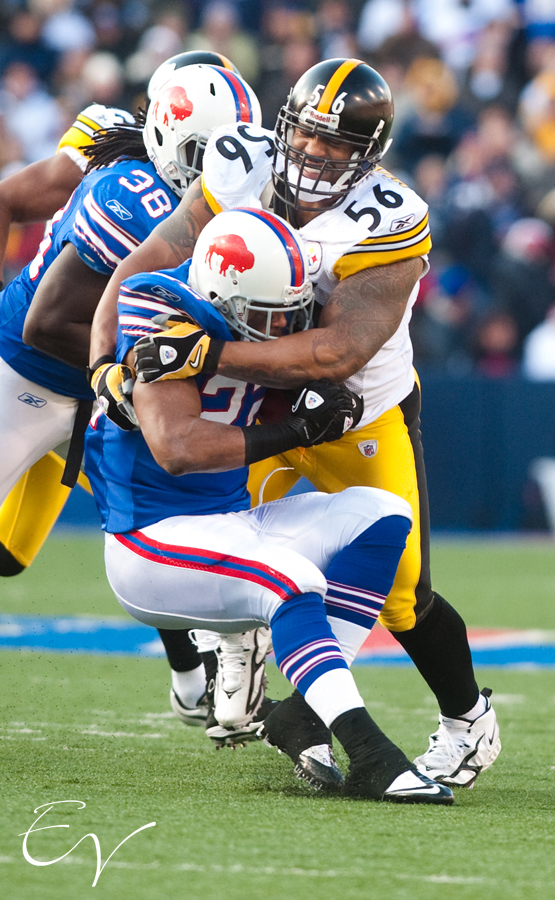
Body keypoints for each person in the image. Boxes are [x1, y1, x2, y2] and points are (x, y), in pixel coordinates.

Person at [90, 57, 501, 792]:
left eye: (338, 145)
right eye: (308, 136)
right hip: (258, 408)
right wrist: (103, 369)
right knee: (234, 550)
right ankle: (272, 682)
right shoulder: (240, 162)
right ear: (284, 127)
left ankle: (467, 719)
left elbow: (336, 352)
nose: (315, 154)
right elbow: (142, 265)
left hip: (354, 411)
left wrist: (210, 348)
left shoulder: (387, 216)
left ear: (367, 156)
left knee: (401, 594)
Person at [85, 205, 453, 806]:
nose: (283, 325)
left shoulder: (262, 304)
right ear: (222, 294)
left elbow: (317, 363)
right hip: (148, 542)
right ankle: (370, 752)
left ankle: (303, 712)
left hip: (229, 523)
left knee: (383, 514)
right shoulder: (160, 308)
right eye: (267, 314)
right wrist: (298, 431)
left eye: (291, 309)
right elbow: (177, 449)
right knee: (290, 581)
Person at [0, 62, 262, 726]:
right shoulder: (131, 194)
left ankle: (190, 680)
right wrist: (135, 378)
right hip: (29, 372)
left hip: (97, 384)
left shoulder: (191, 185)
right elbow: (49, 322)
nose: (229, 167)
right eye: (214, 152)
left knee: (150, 524)